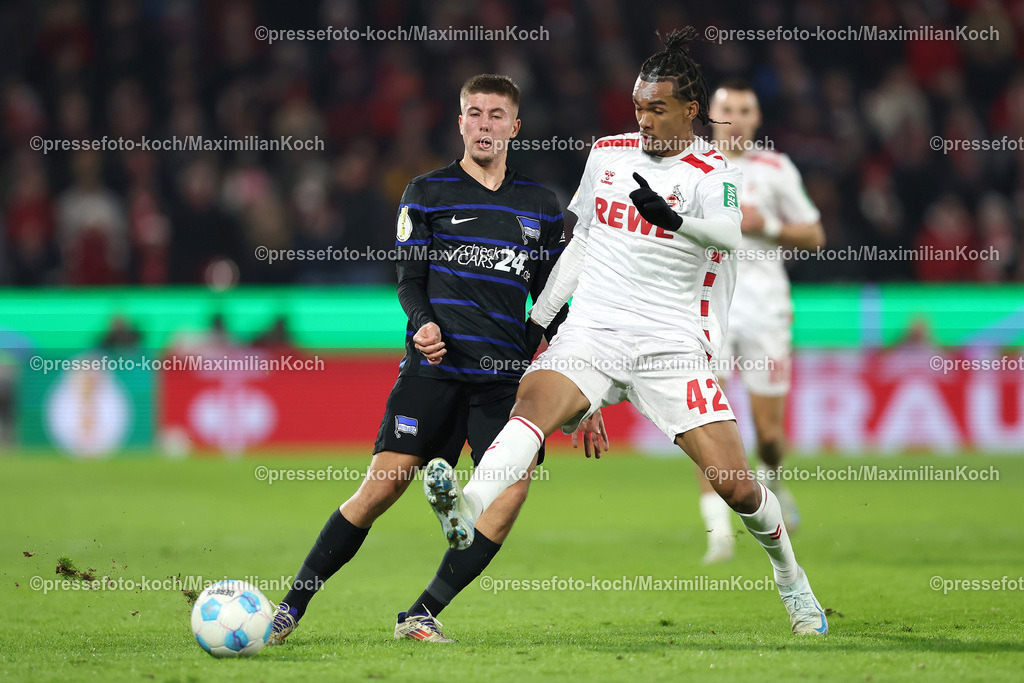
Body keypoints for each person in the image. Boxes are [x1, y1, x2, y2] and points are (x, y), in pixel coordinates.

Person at [423, 29, 828, 636]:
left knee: (737, 488)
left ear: (691, 111)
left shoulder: (711, 169)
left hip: (672, 342)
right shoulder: (608, 154)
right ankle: (467, 505)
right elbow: (581, 242)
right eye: (638, 106)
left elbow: (728, 234)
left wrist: (677, 220)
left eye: (657, 108)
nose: (643, 120)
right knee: (532, 404)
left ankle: (792, 582)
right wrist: (539, 322)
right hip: (594, 327)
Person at [268, 74, 584, 645]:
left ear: (515, 127)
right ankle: (290, 608)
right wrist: (423, 324)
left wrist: (582, 386)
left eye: (496, 115)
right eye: (474, 113)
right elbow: (409, 282)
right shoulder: (426, 192)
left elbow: (554, 301)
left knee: (510, 495)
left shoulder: (541, 205)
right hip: (434, 368)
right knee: (382, 486)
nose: (485, 125)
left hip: (503, 380)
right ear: (460, 122)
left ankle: (421, 614)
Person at [695, 80, 826, 563]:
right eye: (727, 108)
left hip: (765, 308)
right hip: (707, 308)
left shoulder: (776, 168)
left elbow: (814, 234)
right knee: (704, 419)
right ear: (710, 115)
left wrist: (764, 225)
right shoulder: (693, 165)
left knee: (769, 436)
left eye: (745, 109)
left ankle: (771, 482)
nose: (736, 117)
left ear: (757, 118)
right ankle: (718, 532)